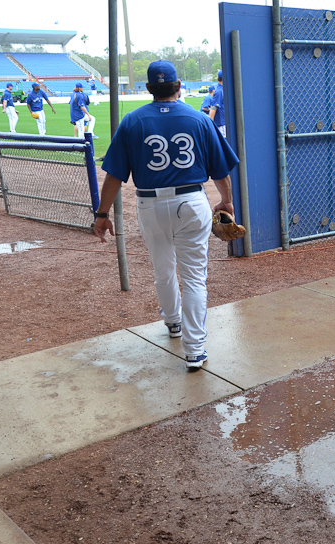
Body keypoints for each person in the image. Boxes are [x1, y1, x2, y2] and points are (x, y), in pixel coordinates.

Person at [93, 60, 239, 370]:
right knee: (194, 278)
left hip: (150, 205)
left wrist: (102, 213)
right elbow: (220, 171)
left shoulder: (132, 121)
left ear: (148, 88)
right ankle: (195, 350)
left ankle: (173, 322)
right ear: (179, 87)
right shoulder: (199, 119)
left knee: (163, 270)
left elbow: (114, 176)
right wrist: (226, 201)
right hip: (192, 202)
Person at [208, 70, 225, 137]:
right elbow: (213, 108)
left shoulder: (222, 89)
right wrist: (211, 125)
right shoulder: (219, 91)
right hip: (221, 124)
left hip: (223, 122)